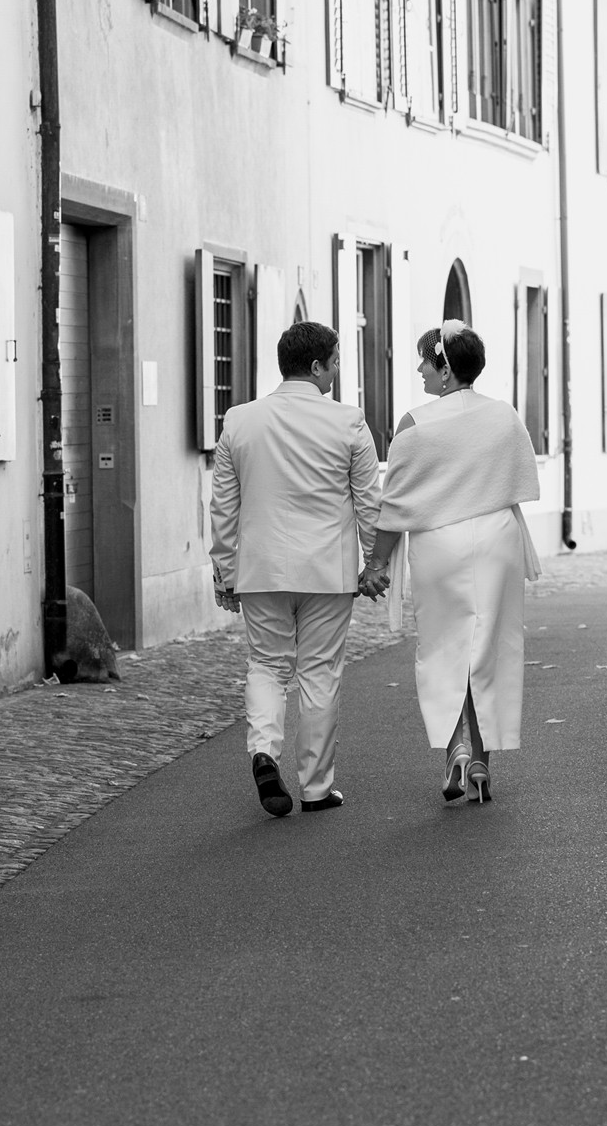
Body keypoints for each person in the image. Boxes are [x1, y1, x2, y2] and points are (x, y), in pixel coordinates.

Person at [359, 320, 541, 806]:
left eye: (425, 360)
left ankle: (456, 746)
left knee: (446, 646)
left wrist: (376, 564)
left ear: (445, 368)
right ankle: (481, 756)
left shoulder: (416, 423)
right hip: (498, 537)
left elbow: (394, 502)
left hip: (441, 541)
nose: (419, 369)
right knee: (493, 645)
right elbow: (518, 477)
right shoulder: (504, 416)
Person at [210, 319, 381, 818]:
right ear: (315, 365)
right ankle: (315, 788)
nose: (336, 372)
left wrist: (224, 570)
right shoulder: (349, 422)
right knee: (319, 673)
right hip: (328, 570)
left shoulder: (239, 421)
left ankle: (264, 749)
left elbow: (224, 506)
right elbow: (369, 503)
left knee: (266, 664)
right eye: (334, 363)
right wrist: (375, 563)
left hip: (260, 568)